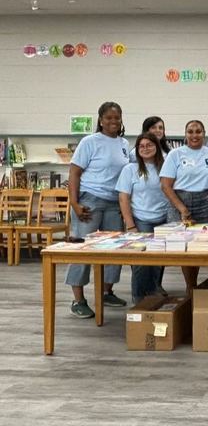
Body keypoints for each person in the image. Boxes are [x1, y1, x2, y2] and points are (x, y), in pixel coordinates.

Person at [65, 101, 130, 318]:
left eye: (117, 117)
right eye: (109, 118)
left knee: (114, 249)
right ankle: (78, 300)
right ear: (100, 120)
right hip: (89, 201)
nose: (113, 121)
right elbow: (74, 173)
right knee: (83, 249)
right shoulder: (89, 142)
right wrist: (74, 203)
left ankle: (106, 292)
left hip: (113, 203)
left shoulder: (123, 143)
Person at [160, 120, 208, 293]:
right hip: (179, 200)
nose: (194, 135)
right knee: (183, 246)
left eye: (198, 131)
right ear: (185, 134)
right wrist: (182, 208)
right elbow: (166, 185)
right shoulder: (175, 154)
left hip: (204, 201)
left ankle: (193, 284)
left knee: (198, 244)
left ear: (204, 134)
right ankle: (190, 286)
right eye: (190, 131)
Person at [116, 133, 170, 304]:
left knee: (157, 261)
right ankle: (139, 299)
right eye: (142, 146)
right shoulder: (130, 169)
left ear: (157, 147)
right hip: (141, 220)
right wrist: (130, 225)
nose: (146, 148)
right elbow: (123, 198)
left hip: (164, 220)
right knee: (141, 262)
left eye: (150, 145)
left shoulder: (166, 167)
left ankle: (153, 292)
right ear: (137, 150)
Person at [131, 116, 171, 296]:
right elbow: (126, 194)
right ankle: (140, 296)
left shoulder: (168, 156)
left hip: (163, 215)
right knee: (141, 258)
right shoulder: (134, 160)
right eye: (153, 128)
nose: (157, 131)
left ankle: (155, 287)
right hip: (142, 215)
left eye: (161, 127)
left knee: (160, 255)